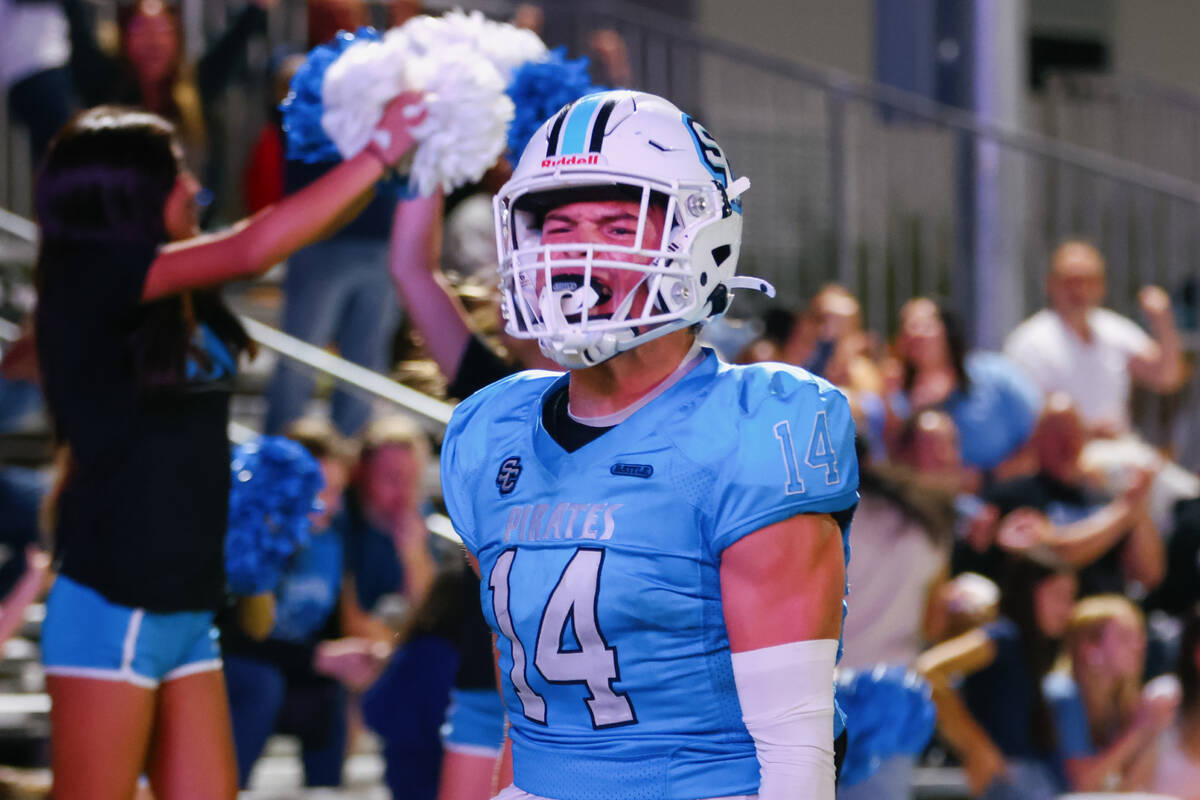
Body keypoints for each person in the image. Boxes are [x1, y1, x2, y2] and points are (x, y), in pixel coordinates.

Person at [441, 90, 859, 799]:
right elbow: (531, 718)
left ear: (698, 238)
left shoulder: (752, 427)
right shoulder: (492, 429)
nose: (577, 248)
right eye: (560, 224)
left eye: (613, 222)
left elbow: (795, 750)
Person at [33, 96, 423, 800]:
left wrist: (384, 168)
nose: (192, 184)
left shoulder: (177, 291)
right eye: (174, 171)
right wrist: (376, 152)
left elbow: (288, 236)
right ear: (124, 193)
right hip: (114, 606)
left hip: (187, 609)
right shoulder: (84, 281)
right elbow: (255, 245)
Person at [222, 418, 357, 788]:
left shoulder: (331, 541)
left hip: (289, 671)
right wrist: (316, 658)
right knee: (262, 683)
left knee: (332, 690)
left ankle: (325, 792)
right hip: (236, 668)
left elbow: (323, 633)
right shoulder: (250, 533)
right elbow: (233, 636)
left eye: (338, 491)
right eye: (322, 491)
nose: (331, 504)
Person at [917, 555, 1078, 800]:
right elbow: (928, 670)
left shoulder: (1034, 649)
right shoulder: (1004, 637)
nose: (1069, 610)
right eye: (1059, 596)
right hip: (1008, 783)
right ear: (1029, 593)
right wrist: (976, 747)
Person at [1004, 239, 1185, 439]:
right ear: (1050, 284)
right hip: (1063, 459)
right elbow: (1024, 416)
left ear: (1102, 286)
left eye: (1089, 280)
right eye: (1071, 281)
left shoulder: (1114, 328)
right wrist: (1086, 430)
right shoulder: (1029, 341)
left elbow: (1166, 377)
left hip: (1119, 451)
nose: (1079, 290)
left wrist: (1163, 322)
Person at [886, 297, 1041, 483]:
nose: (915, 334)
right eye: (907, 328)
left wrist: (987, 479)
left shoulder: (997, 377)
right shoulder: (898, 399)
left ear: (948, 330)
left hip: (1006, 493)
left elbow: (1041, 435)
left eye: (924, 325)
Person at [1045, 594, 1175, 792]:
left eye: (1139, 636)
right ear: (1090, 649)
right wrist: (1138, 732)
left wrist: (1152, 731)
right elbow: (1082, 785)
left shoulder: (1119, 700)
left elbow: (1129, 787)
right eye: (1125, 637)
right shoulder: (1064, 693)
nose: (1139, 645)